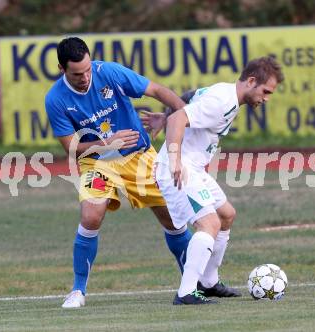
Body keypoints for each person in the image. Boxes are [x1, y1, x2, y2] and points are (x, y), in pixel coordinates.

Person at [45, 37, 192, 308]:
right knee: (91, 215)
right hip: (97, 163)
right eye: (77, 74)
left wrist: (184, 117)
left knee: (173, 219)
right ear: (60, 68)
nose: (85, 77)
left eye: (88, 69)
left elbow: (157, 90)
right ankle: (78, 291)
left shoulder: (109, 72)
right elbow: (72, 148)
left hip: (139, 157)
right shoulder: (55, 99)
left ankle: (193, 284)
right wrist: (107, 144)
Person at [152, 56, 284, 304]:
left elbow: (190, 98)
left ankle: (209, 282)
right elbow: (179, 120)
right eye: (265, 91)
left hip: (194, 168)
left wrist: (165, 115)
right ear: (251, 81)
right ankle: (186, 293)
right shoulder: (222, 102)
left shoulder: (226, 94)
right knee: (209, 223)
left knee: (226, 215)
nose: (266, 98)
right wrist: (174, 158)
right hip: (179, 168)